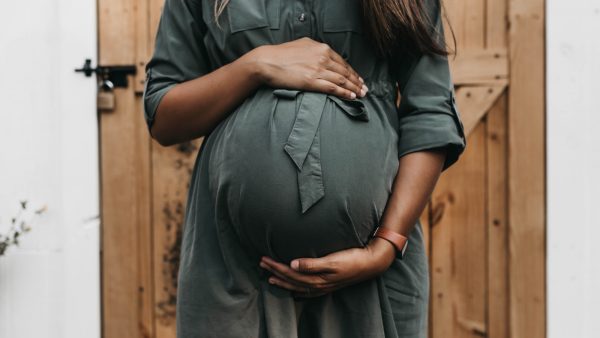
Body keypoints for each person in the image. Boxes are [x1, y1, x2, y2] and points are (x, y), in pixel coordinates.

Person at [142, 0, 466, 337]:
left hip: (371, 279)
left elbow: (430, 113)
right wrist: (254, 66)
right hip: (235, 274)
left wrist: (386, 245)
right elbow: (164, 117)